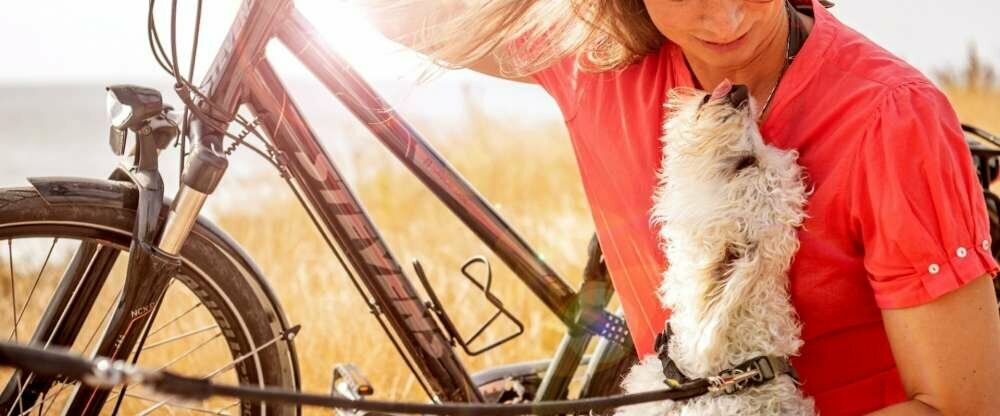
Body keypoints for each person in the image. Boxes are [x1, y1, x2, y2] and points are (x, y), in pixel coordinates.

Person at [361, 0, 1000, 414]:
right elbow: (396, 14)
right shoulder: (597, 63)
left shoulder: (890, 116)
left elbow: (962, 404)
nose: (724, 20)